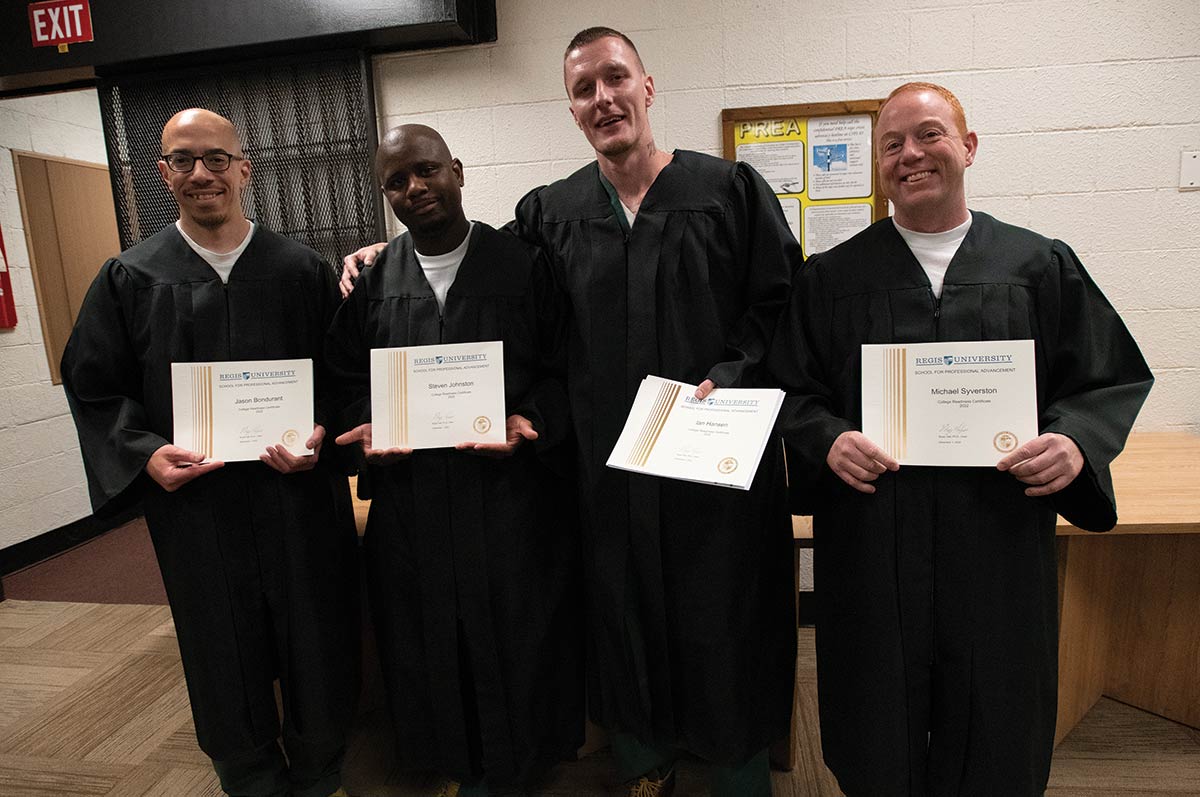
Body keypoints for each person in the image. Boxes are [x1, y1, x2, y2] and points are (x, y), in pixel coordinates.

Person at [340, 27, 800, 797]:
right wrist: (378, 254)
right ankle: (642, 762)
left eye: (614, 78)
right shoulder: (549, 216)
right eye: (584, 89)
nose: (602, 98)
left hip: (711, 473)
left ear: (647, 87)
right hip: (604, 473)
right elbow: (489, 288)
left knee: (726, 620)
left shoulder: (730, 192)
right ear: (573, 109)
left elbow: (782, 309)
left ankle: (736, 770)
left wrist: (732, 374)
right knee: (619, 618)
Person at [767, 82, 1153, 796]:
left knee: (998, 723)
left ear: (968, 147)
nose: (910, 154)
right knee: (878, 724)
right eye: (891, 144)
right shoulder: (831, 279)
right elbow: (788, 389)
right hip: (874, 548)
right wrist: (826, 438)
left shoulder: (1038, 266)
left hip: (997, 545)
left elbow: (1104, 380)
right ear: (879, 164)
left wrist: (1073, 442)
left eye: (929, 135)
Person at [61, 109, 360, 797]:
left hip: (299, 503)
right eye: (184, 160)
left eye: (217, 158)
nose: (202, 173)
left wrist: (320, 432)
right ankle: (249, 779)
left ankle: (320, 775)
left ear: (244, 168)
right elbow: (94, 385)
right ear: (163, 173)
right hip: (199, 508)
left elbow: (345, 379)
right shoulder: (129, 277)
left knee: (318, 641)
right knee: (219, 648)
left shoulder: (300, 269)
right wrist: (143, 454)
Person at [326, 124, 582, 797]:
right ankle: (448, 761)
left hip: (510, 500)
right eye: (396, 180)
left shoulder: (524, 265)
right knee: (424, 634)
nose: (414, 188)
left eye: (427, 170)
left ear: (458, 171)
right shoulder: (375, 278)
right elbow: (345, 378)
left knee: (519, 630)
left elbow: (566, 368)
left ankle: (525, 765)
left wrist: (534, 420)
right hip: (413, 504)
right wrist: (367, 424)